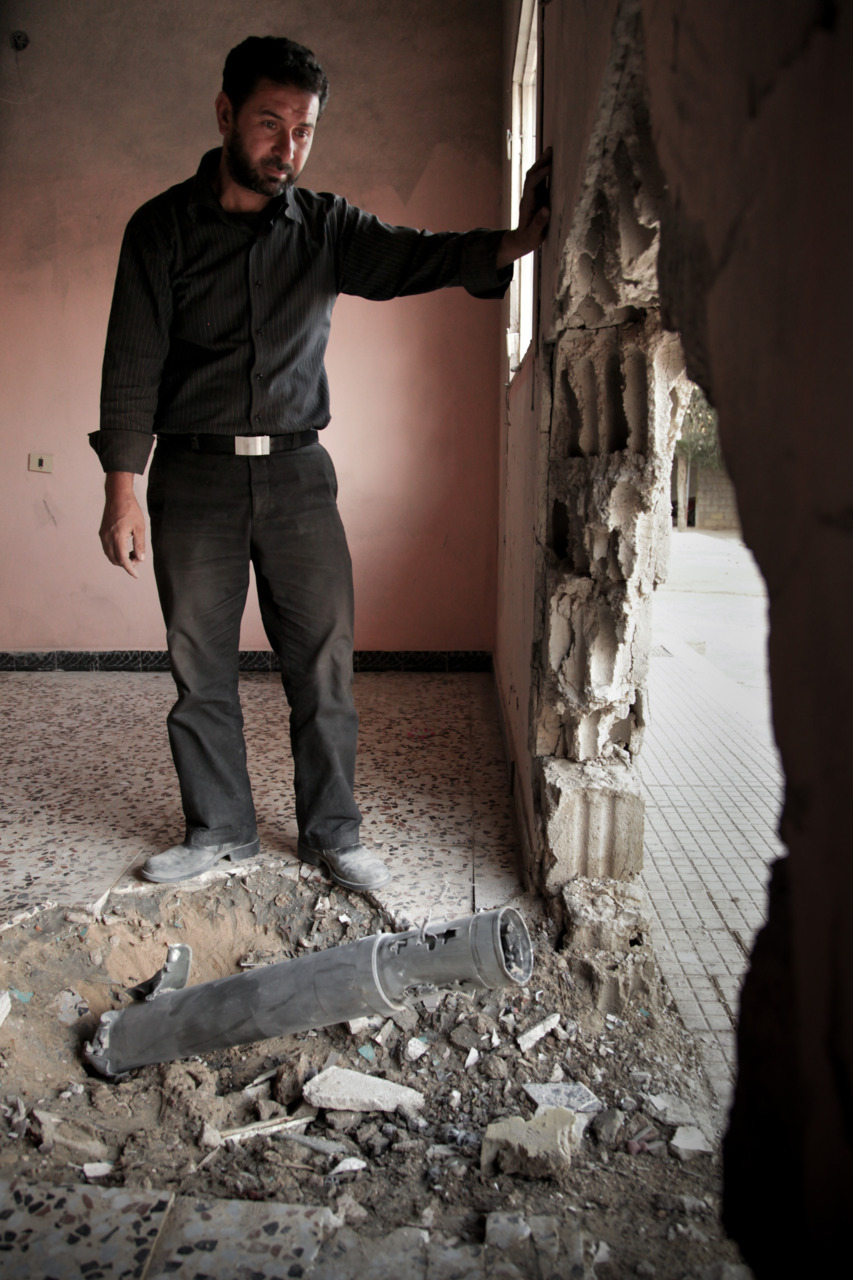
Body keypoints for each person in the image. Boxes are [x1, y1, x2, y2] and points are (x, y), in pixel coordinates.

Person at [92, 35, 551, 894]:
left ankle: (333, 834)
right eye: (271, 124)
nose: (288, 148)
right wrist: (123, 495)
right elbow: (131, 365)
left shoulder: (328, 227)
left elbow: (416, 254)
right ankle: (219, 829)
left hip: (301, 478)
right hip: (193, 479)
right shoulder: (159, 229)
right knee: (200, 666)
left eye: (304, 130)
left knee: (324, 663)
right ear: (226, 114)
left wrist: (516, 241)